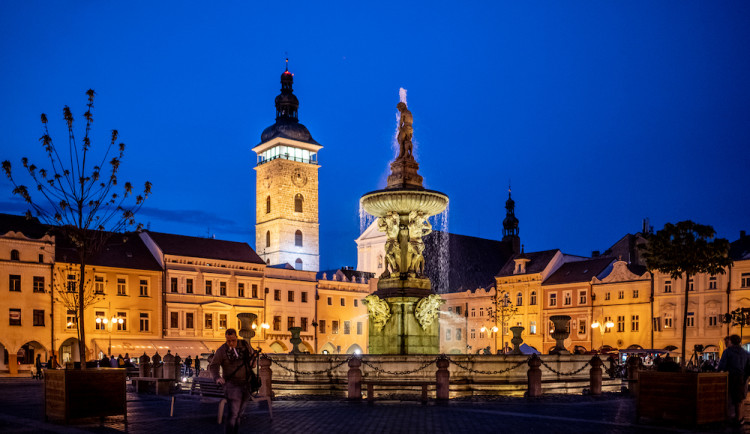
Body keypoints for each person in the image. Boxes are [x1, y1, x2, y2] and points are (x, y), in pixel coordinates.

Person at [209, 329, 258, 434]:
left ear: (236, 337)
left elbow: (252, 362)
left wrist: (253, 360)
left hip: (246, 383)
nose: (231, 343)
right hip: (231, 385)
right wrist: (217, 377)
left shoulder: (244, 345)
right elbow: (213, 365)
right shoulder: (222, 350)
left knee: (239, 414)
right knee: (234, 413)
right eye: (228, 340)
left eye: (233, 340)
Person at [718, 334, 750, 424]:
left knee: (729, 397)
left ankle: (731, 417)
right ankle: (739, 418)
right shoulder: (745, 353)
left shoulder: (728, 352)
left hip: (730, 377)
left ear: (731, 341)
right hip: (741, 377)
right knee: (738, 399)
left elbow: (722, 365)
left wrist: (718, 371)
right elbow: (749, 367)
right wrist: (744, 377)